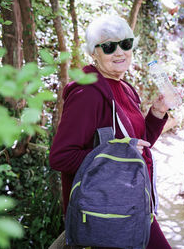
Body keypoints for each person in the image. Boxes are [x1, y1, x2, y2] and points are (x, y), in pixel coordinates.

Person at [49, 14, 172, 249]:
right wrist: (118, 150)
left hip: (134, 205)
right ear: (93, 53)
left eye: (125, 44)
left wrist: (156, 113)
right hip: (107, 211)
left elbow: (138, 147)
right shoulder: (87, 93)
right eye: (108, 47)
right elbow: (60, 157)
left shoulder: (125, 88)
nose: (119, 52)